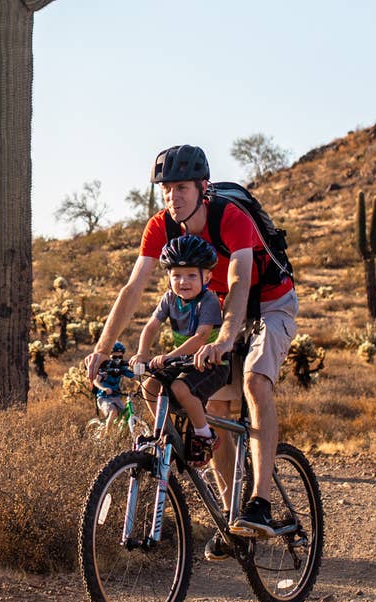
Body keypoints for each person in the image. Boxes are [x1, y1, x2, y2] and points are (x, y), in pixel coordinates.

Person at [85, 144, 298, 561]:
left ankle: (261, 503)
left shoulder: (229, 218)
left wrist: (224, 340)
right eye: (166, 189)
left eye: (181, 187)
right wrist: (102, 348)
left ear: (203, 187)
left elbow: (239, 280)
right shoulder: (161, 227)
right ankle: (231, 515)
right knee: (215, 408)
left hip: (271, 302)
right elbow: (134, 288)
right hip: (222, 311)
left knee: (255, 381)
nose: (173, 197)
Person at [130, 234, 228, 466]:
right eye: (177, 275)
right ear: (168, 277)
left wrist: (170, 356)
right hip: (184, 362)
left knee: (179, 387)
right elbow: (152, 325)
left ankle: (205, 436)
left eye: (192, 275)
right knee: (149, 386)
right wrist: (142, 353)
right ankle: (167, 433)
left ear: (208, 276)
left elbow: (201, 336)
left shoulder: (208, 300)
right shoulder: (169, 299)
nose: (183, 281)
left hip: (212, 363)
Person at [92, 342, 135, 436]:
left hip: (116, 396)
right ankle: (107, 435)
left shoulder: (121, 367)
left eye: (120, 357)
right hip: (104, 397)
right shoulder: (105, 367)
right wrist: (104, 388)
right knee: (113, 412)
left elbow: (133, 376)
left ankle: (121, 434)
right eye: (114, 357)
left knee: (126, 413)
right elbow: (96, 381)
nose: (118, 360)